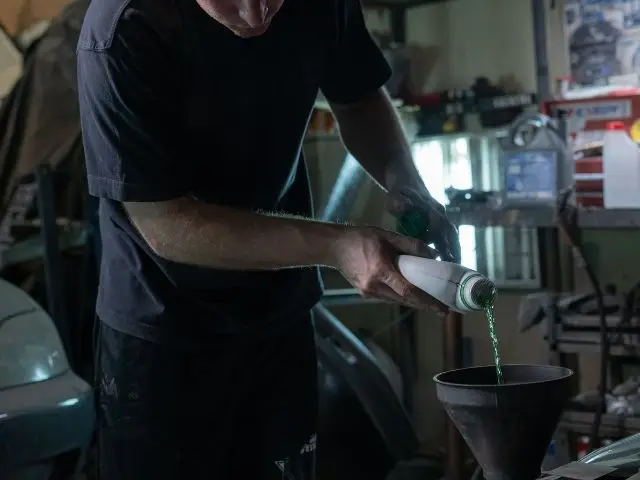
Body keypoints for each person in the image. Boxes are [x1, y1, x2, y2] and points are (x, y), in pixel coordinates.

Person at [77, 0, 458, 478]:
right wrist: (337, 245)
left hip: (279, 314)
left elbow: (358, 96)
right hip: (164, 332)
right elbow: (166, 223)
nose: (256, 15)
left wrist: (406, 181)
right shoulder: (125, 29)